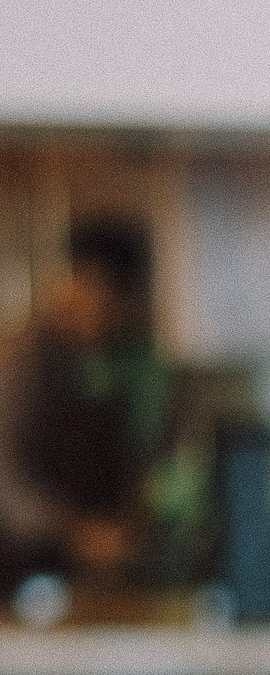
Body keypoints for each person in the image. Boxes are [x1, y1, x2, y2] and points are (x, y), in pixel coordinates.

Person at [0, 214, 170, 589]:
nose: (103, 314)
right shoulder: (20, 360)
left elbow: (136, 460)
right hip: (17, 570)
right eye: (95, 294)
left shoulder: (116, 358)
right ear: (70, 282)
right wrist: (78, 532)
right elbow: (6, 480)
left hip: (78, 573)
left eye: (116, 303)